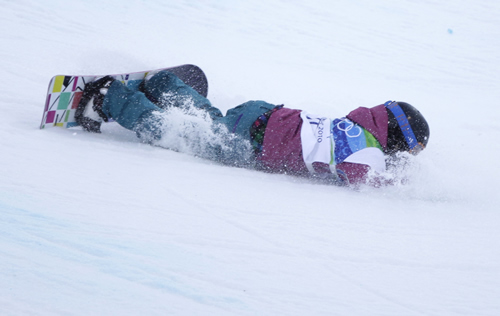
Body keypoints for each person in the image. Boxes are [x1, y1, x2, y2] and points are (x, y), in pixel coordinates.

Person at [75, 70, 430, 187]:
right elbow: (362, 178)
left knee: (208, 121)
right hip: (253, 144)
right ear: (396, 143)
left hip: (263, 115)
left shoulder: (355, 124)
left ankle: (165, 85)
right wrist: (400, 180)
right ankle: (109, 98)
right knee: (181, 135)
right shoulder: (367, 155)